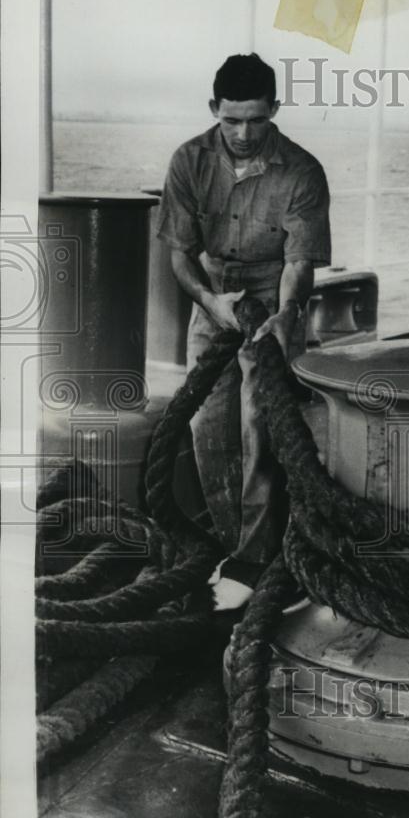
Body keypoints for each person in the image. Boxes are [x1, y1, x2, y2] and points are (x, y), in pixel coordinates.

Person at [157, 53, 331, 610]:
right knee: (207, 429)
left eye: (256, 119)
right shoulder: (188, 161)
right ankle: (233, 548)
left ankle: (259, 559)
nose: (243, 132)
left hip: (274, 300)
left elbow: (300, 261)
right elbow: (181, 254)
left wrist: (285, 314)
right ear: (215, 109)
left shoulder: (302, 170)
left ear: (274, 109)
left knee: (263, 427)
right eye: (232, 119)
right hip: (213, 297)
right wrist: (211, 302)